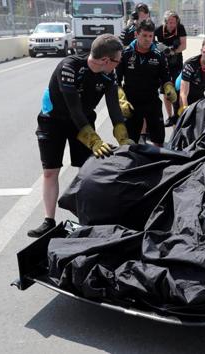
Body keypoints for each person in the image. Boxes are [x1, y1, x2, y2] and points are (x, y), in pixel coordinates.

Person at [28, 34, 133, 238]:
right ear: (105, 60)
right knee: (50, 171)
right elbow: (73, 109)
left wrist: (123, 137)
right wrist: (93, 141)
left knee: (85, 170)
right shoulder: (68, 67)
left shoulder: (108, 74)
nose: (118, 65)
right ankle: (49, 221)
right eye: (117, 61)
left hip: (83, 119)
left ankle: (85, 218)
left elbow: (113, 107)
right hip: (54, 120)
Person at [116, 19, 176, 147]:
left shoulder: (159, 55)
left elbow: (165, 77)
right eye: (144, 35)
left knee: (159, 141)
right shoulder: (125, 54)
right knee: (129, 144)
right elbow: (116, 81)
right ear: (136, 35)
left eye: (150, 36)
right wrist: (121, 99)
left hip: (152, 102)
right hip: (131, 104)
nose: (148, 39)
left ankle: (157, 166)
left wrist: (169, 88)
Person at [155, 10, 187, 127]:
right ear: (166, 22)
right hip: (163, 63)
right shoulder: (159, 30)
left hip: (177, 62)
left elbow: (184, 45)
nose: (172, 24)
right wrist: (162, 49)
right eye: (170, 22)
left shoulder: (180, 28)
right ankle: (169, 117)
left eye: (174, 22)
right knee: (166, 90)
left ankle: (178, 116)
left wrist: (173, 51)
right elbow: (152, 43)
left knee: (177, 88)